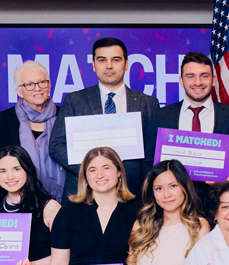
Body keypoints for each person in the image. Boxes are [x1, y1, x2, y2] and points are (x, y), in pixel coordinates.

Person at [50, 36, 162, 199]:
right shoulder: (74, 100)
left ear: (126, 64)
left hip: (133, 193)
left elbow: (154, 152)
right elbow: (56, 145)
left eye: (115, 60)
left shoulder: (148, 103)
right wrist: (92, 170)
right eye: (102, 60)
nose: (109, 66)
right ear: (94, 65)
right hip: (84, 193)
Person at [149, 52, 229, 211]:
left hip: (218, 207)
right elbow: (148, 163)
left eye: (204, 76)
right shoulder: (161, 116)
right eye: (191, 76)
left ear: (213, 80)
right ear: (181, 81)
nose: (198, 82)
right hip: (171, 208)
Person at [0, 60, 66, 201]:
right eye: (29, 84)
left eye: (42, 82)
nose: (37, 88)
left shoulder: (65, 115)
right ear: (19, 92)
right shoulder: (3, 120)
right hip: (20, 202)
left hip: (64, 201)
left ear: (49, 86)